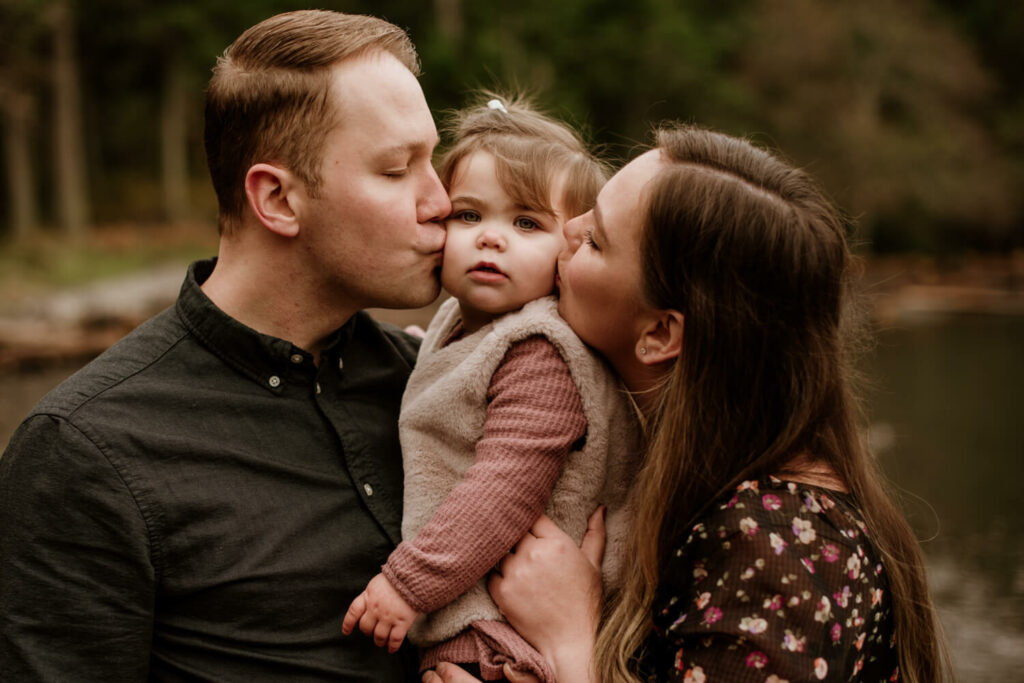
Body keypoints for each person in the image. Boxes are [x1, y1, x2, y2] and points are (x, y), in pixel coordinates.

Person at [0, 10, 451, 681]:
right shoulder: (84, 454)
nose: (441, 199)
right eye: (396, 170)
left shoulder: (434, 386)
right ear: (277, 199)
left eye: (432, 159)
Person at [426, 124, 950, 682]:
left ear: (658, 335)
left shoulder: (775, 549)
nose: (568, 230)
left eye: (596, 240)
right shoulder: (678, 462)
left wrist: (570, 640)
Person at [342, 96, 642, 681]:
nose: (490, 239)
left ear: (572, 250)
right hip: (480, 620)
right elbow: (460, 382)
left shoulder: (542, 354)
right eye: (469, 215)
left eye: (526, 223)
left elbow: (501, 488)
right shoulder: (460, 322)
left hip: (510, 638)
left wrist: (408, 585)